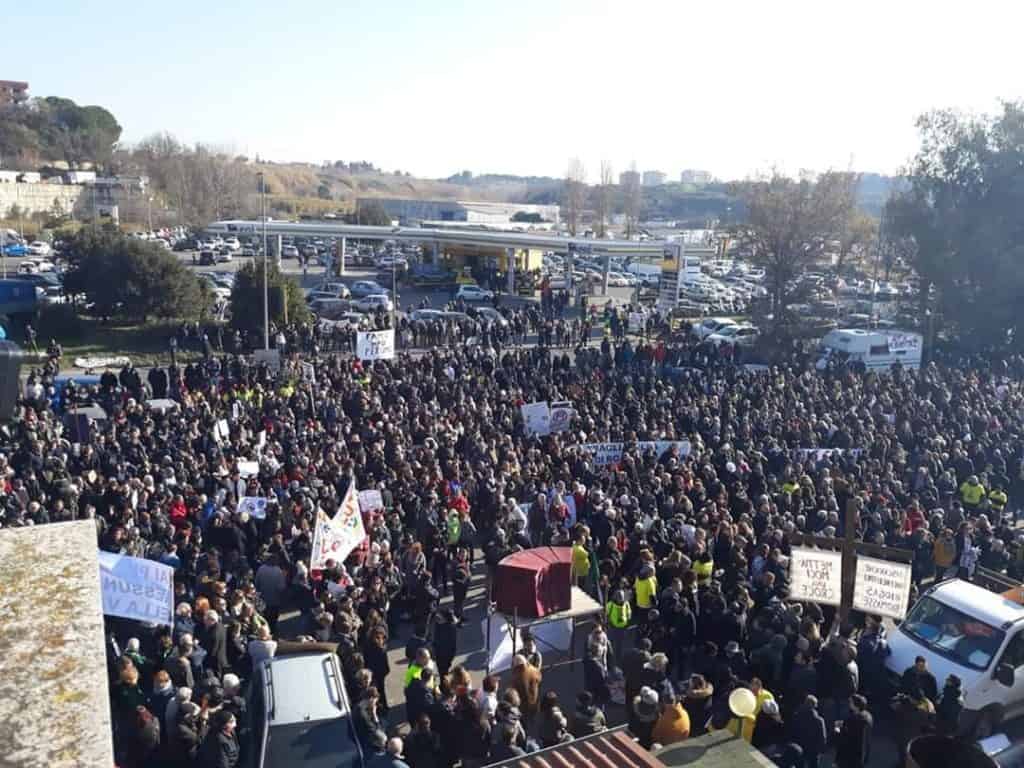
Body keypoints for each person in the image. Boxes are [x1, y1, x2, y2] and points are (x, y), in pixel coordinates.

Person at [834, 694, 872, 768]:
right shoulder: (868, 716)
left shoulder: (853, 720)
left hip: (851, 756)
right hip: (862, 753)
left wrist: (837, 729)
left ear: (856, 706)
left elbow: (843, 739)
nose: (849, 704)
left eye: (851, 702)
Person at [788, 695, 827, 768]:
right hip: (813, 750)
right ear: (815, 706)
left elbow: (792, 731)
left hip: (799, 747)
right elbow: (822, 737)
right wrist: (822, 749)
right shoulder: (819, 720)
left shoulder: (796, 716)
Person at [510, 654, 542, 725]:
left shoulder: (516, 675)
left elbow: (513, 691)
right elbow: (539, 679)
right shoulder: (534, 670)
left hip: (522, 704)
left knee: (524, 721)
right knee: (532, 716)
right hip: (534, 700)